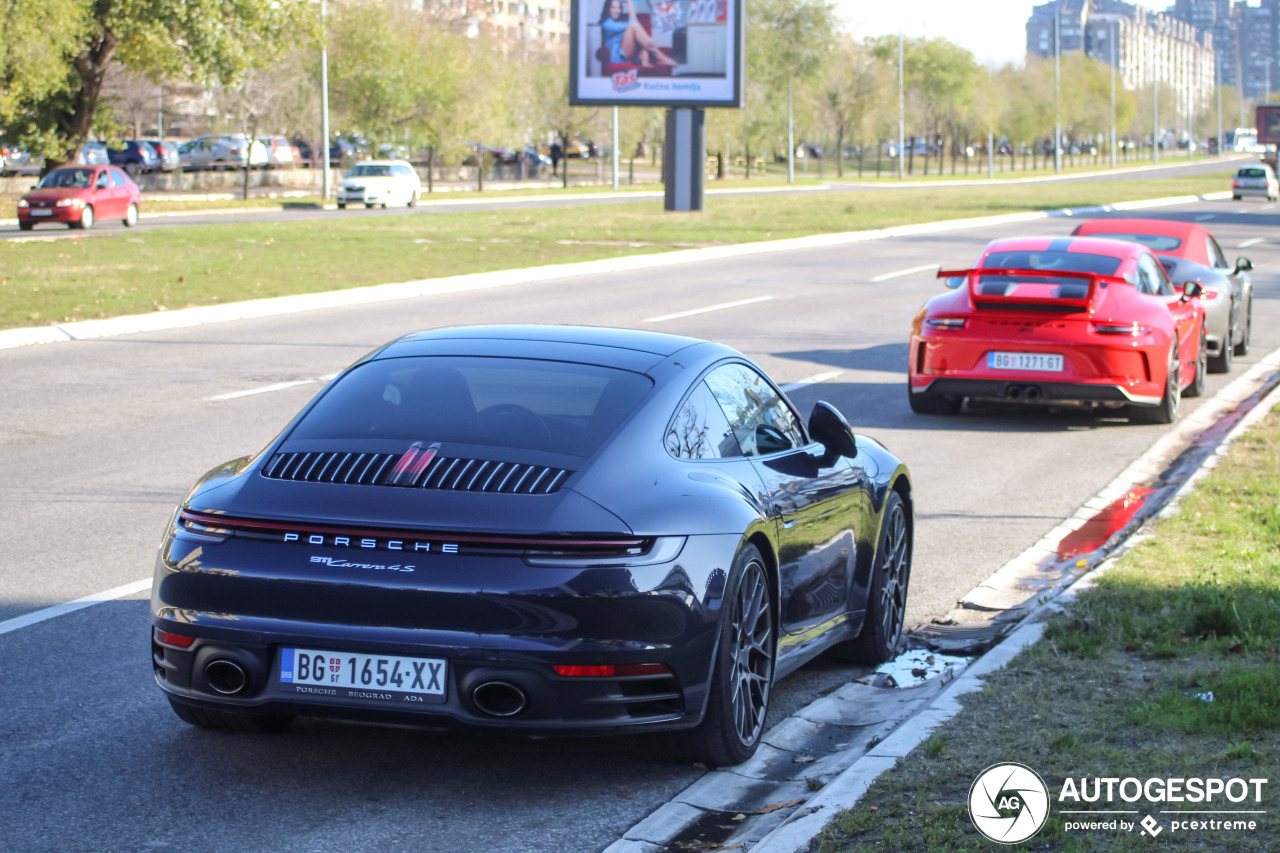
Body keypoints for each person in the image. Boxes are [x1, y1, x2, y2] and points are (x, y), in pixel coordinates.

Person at [598, 0, 678, 70]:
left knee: (643, 48)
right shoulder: (606, 24)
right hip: (618, 58)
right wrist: (629, 3)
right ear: (608, 8)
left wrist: (646, 43)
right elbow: (633, 21)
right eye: (614, 7)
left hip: (629, 53)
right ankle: (660, 57)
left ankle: (646, 61)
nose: (617, 11)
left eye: (619, 8)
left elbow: (633, 23)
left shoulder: (619, 23)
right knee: (633, 25)